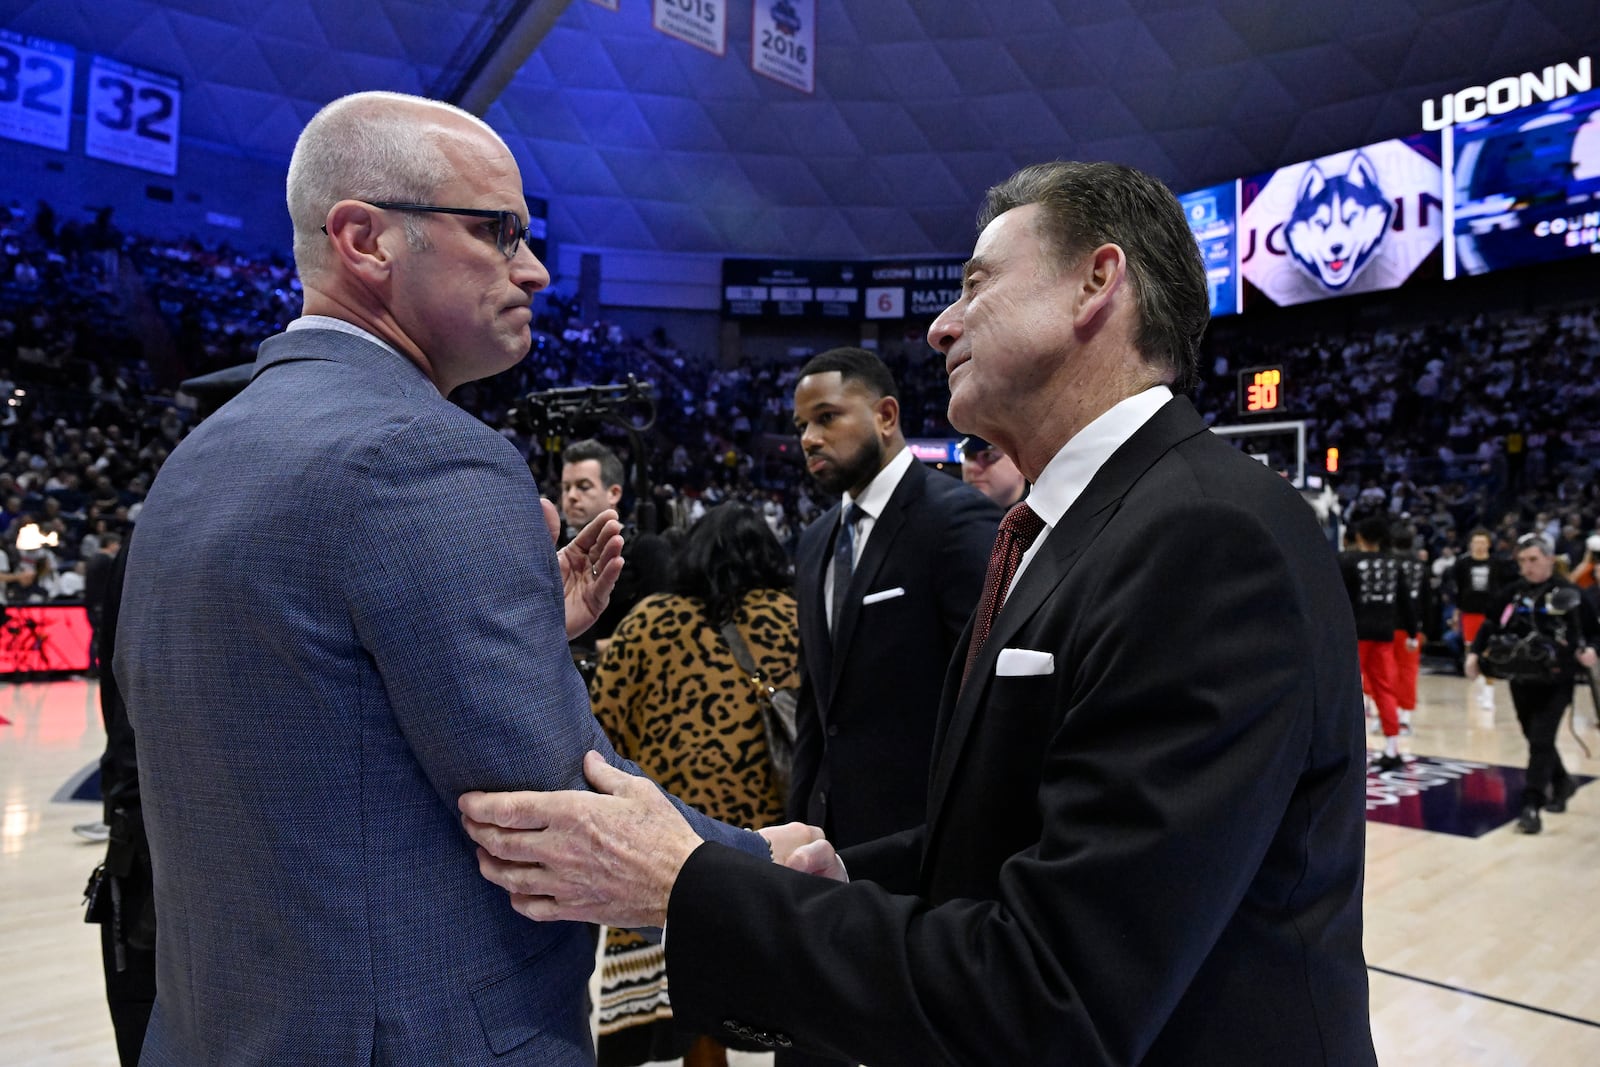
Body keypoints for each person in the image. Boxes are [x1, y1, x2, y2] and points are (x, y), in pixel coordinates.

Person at [462, 161, 1377, 1066]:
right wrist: (843, 870)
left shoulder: (1206, 540)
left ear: (1097, 284)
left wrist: (683, 880)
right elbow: (1024, 845)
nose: (942, 326)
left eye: (976, 284)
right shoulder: (1082, 526)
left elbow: (1056, 994)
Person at [114, 90, 769, 1066]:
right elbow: (550, 796)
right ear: (365, 238)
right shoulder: (424, 454)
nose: (537, 268)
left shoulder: (200, 454)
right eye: (497, 232)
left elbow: (326, 728)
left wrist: (521, 630)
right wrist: (763, 864)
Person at [587, 502, 797, 1067]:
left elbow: (599, 727)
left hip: (667, 840)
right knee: (781, 1000)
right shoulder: (794, 619)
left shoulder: (649, 621)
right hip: (767, 843)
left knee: (686, 999)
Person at [788, 347, 999, 858]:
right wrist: (800, 818)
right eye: (801, 426)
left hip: (927, 836)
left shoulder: (956, 520)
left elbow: (987, 694)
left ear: (885, 416)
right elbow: (816, 705)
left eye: (827, 418)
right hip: (831, 833)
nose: (809, 438)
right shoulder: (816, 539)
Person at [1466, 533, 1599, 834]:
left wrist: (1592, 650)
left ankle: (1531, 804)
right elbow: (1489, 624)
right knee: (1534, 737)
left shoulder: (1571, 593)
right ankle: (1563, 782)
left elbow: (1593, 634)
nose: (1527, 567)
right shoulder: (1512, 593)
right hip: (1521, 678)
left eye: (1533, 560)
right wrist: (1474, 654)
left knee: (1540, 739)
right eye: (1522, 561)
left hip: (1558, 679)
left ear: (1550, 559)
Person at [560, 438, 671, 657]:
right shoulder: (555, 552)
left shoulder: (647, 549)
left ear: (614, 493)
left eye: (583, 487)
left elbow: (667, 630)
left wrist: (590, 651)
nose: (571, 496)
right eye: (565, 488)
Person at [1340, 515, 1416, 772]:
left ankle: (1340, 746)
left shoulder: (1348, 561)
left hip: (1354, 635)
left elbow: (1341, 599)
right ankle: (1392, 747)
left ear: (1360, 537)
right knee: (1385, 689)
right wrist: (1414, 633)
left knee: (1345, 688)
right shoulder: (1394, 564)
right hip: (1385, 633)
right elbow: (1405, 601)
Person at [1451, 527, 1516, 710]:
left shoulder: (1497, 564)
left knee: (1489, 651)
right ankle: (1479, 686)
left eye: (1482, 542)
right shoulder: (1462, 564)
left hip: (1490, 613)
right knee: (1471, 650)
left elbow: (1505, 589)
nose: (1479, 546)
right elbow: (1457, 590)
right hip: (1469, 612)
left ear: (1488, 544)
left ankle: (1488, 691)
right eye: (1476, 542)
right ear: (1470, 544)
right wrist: (1457, 613)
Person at [957, 434, 1027, 508]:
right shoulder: (953, 512)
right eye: (969, 457)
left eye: (988, 456)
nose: (973, 468)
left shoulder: (1037, 515)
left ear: (1021, 462)